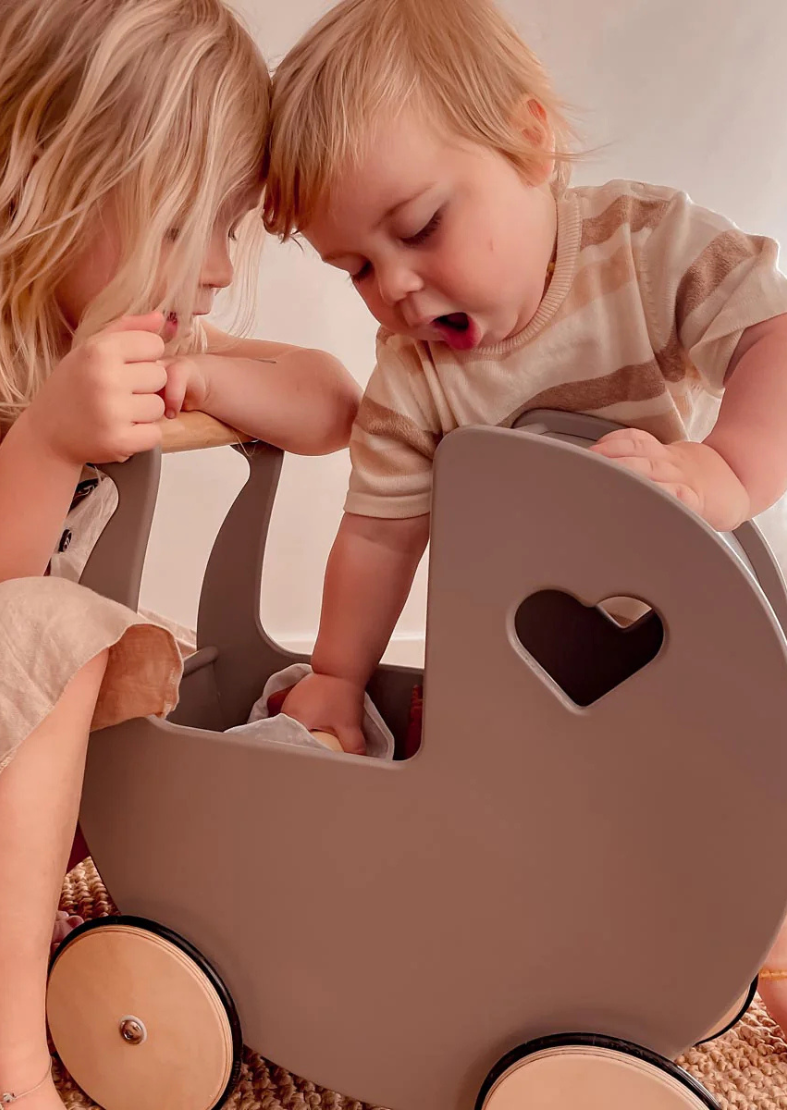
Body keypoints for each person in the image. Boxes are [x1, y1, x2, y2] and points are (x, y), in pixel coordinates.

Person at [263, 0, 787, 1030]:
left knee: (741, 810)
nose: (398, 289)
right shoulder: (412, 377)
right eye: (357, 268)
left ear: (530, 139)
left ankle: (765, 951)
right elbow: (376, 534)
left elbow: (771, 334)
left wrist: (723, 467)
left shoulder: (644, 248)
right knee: (457, 807)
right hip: (502, 680)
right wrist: (335, 676)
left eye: (417, 229)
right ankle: (494, 954)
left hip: (674, 652)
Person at [0, 1, 359, 1107]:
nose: (220, 268)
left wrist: (209, 375)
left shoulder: (126, 326)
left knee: (135, 667)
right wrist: (43, 445)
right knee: (58, 634)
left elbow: (328, 400)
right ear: (54, 173)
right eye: (191, 225)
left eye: (232, 226)